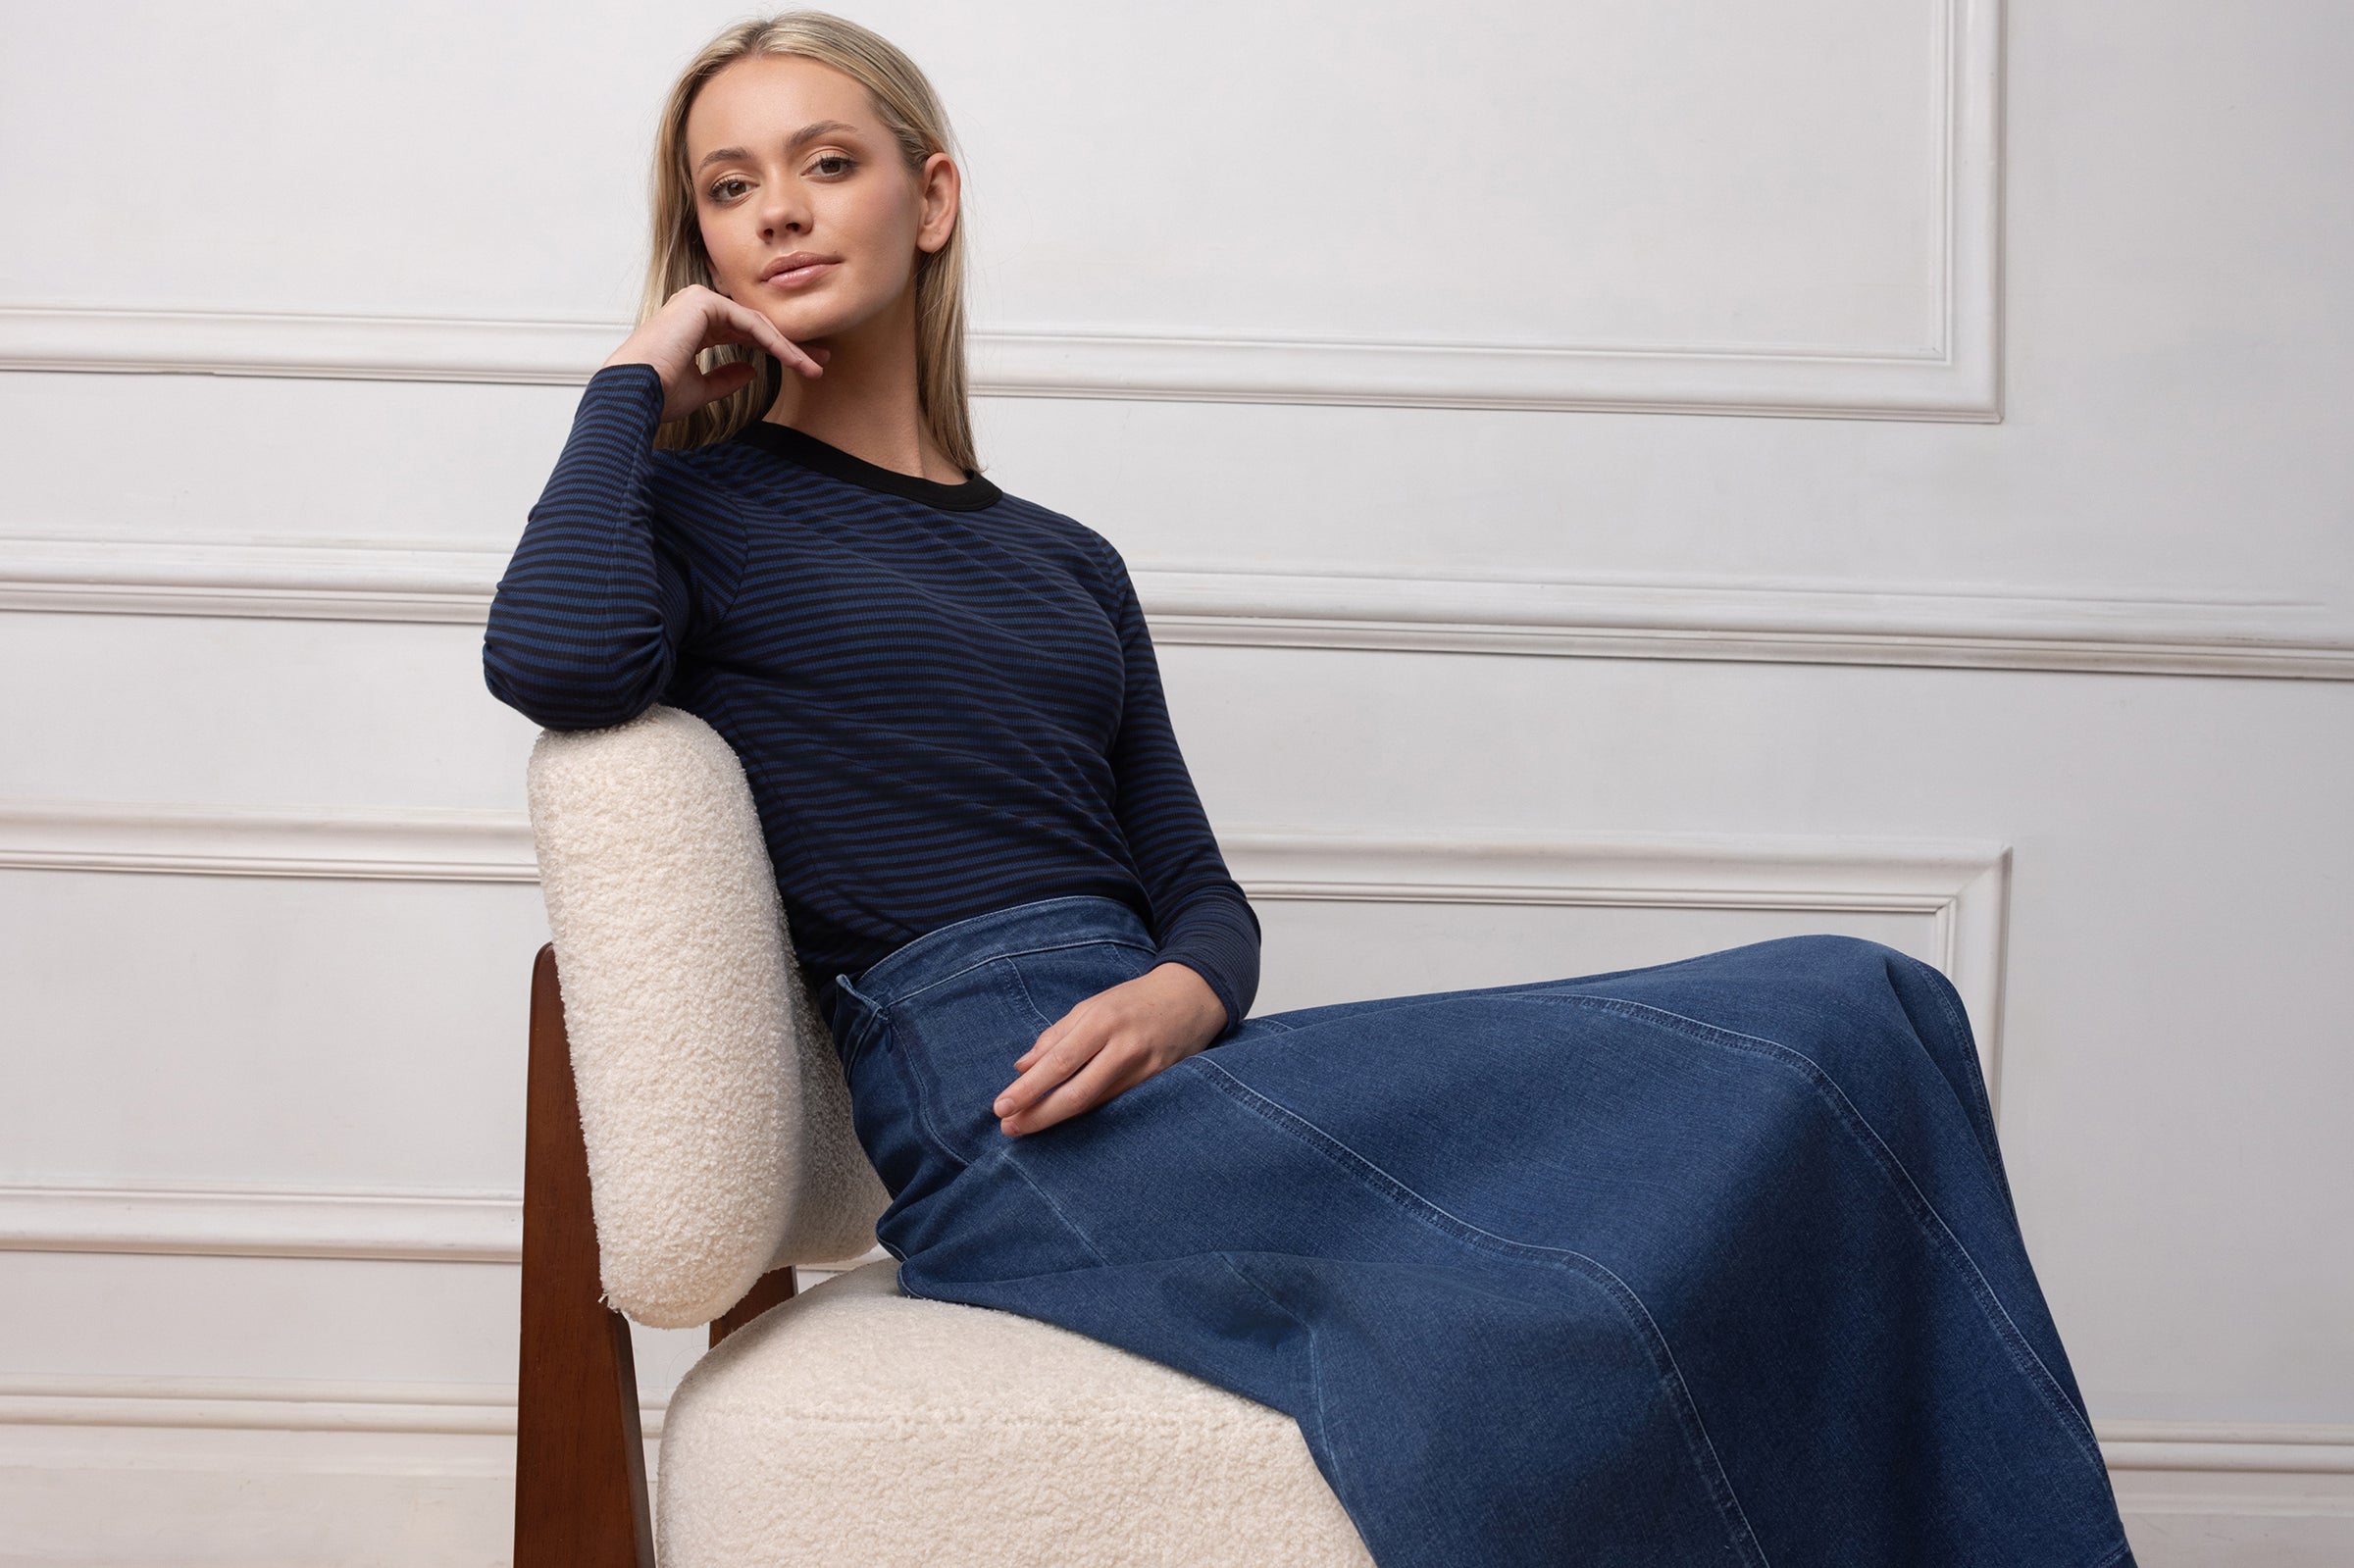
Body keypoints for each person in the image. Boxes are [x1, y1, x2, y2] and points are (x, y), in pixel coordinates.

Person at [483, 13, 2140, 1566]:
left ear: (933, 199)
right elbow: (556, 664)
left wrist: (1190, 992)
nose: (775, 210)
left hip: (1171, 1071)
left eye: (825, 162)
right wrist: (630, 387)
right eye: (727, 187)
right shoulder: (694, 514)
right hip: (1013, 1117)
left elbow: (1197, 885)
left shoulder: (1066, 562)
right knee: (1733, 1130)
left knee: (1867, 1008)